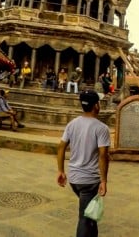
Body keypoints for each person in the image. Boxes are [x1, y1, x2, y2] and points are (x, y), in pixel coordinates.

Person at [57, 90, 110, 237]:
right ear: (96, 106)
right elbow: (103, 156)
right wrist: (104, 181)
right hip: (89, 180)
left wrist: (60, 171)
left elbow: (61, 147)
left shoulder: (72, 124)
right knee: (85, 219)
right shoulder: (101, 128)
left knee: (90, 214)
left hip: (74, 179)